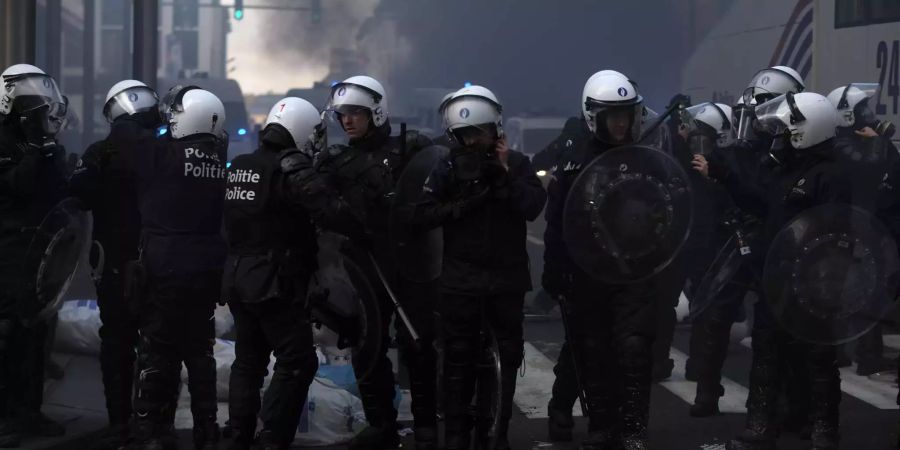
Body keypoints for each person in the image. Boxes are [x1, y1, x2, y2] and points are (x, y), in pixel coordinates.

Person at [693, 92, 846, 450]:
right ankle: (760, 428)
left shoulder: (829, 175)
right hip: (775, 281)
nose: (779, 136)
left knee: (818, 359)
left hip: (811, 286)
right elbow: (761, 204)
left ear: (806, 131)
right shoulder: (785, 170)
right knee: (766, 354)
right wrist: (725, 175)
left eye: (787, 129)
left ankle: (824, 429)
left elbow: (836, 232)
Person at [411, 85, 545, 450]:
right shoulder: (446, 168)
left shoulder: (517, 164)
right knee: (458, 361)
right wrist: (459, 205)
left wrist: (504, 175)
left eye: (479, 133)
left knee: (507, 356)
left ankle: (496, 432)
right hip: (460, 281)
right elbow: (420, 214)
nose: (473, 143)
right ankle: (456, 435)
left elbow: (533, 205)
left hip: (506, 280)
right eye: (465, 135)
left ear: (495, 131)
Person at [543, 69, 669, 450]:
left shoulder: (646, 156)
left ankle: (632, 431)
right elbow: (557, 220)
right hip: (588, 272)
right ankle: (599, 427)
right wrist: (554, 272)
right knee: (591, 349)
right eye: (612, 115)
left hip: (633, 270)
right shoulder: (573, 159)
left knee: (633, 348)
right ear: (592, 115)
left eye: (625, 114)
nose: (620, 122)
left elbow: (665, 210)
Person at [316, 75, 437, 450]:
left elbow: (438, 180)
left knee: (419, 345)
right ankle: (380, 421)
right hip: (363, 267)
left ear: (377, 112)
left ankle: (427, 423)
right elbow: (317, 201)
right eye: (343, 115)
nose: (347, 120)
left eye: (355, 113)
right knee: (367, 345)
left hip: (409, 262)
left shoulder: (410, 146)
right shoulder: (336, 160)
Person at [221, 97, 330, 450]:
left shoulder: (240, 164)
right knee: (297, 360)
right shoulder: (290, 169)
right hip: (273, 282)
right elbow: (326, 210)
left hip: (238, 277)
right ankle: (271, 437)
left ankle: (238, 434)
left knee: (248, 360)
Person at [128, 85, 229, 450]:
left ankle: (151, 430)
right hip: (206, 269)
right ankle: (207, 429)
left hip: (165, 267)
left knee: (158, 350)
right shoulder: (220, 164)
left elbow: (128, 140)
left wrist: (152, 118)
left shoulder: (161, 155)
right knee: (200, 351)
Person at [69, 79, 160, 449]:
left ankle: (120, 422)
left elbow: (77, 197)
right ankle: (152, 423)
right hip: (156, 259)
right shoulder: (163, 148)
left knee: (117, 342)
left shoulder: (99, 152)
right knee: (157, 344)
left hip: (113, 263)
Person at [0, 63, 69, 448]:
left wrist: (54, 157)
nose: (40, 116)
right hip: (7, 252)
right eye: (33, 107)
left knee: (35, 338)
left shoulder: (40, 144)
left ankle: (30, 412)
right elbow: (15, 187)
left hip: (36, 254)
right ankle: (7, 417)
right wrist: (35, 154)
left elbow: (56, 192)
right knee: (8, 338)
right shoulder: (5, 142)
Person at [827, 82, 898, 377]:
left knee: (865, 289)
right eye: (861, 109)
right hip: (852, 228)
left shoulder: (865, 143)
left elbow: (894, 169)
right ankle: (859, 355)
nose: (868, 115)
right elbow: (867, 169)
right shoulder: (842, 146)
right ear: (846, 115)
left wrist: (881, 142)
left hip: (868, 225)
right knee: (856, 290)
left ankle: (860, 353)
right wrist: (879, 141)